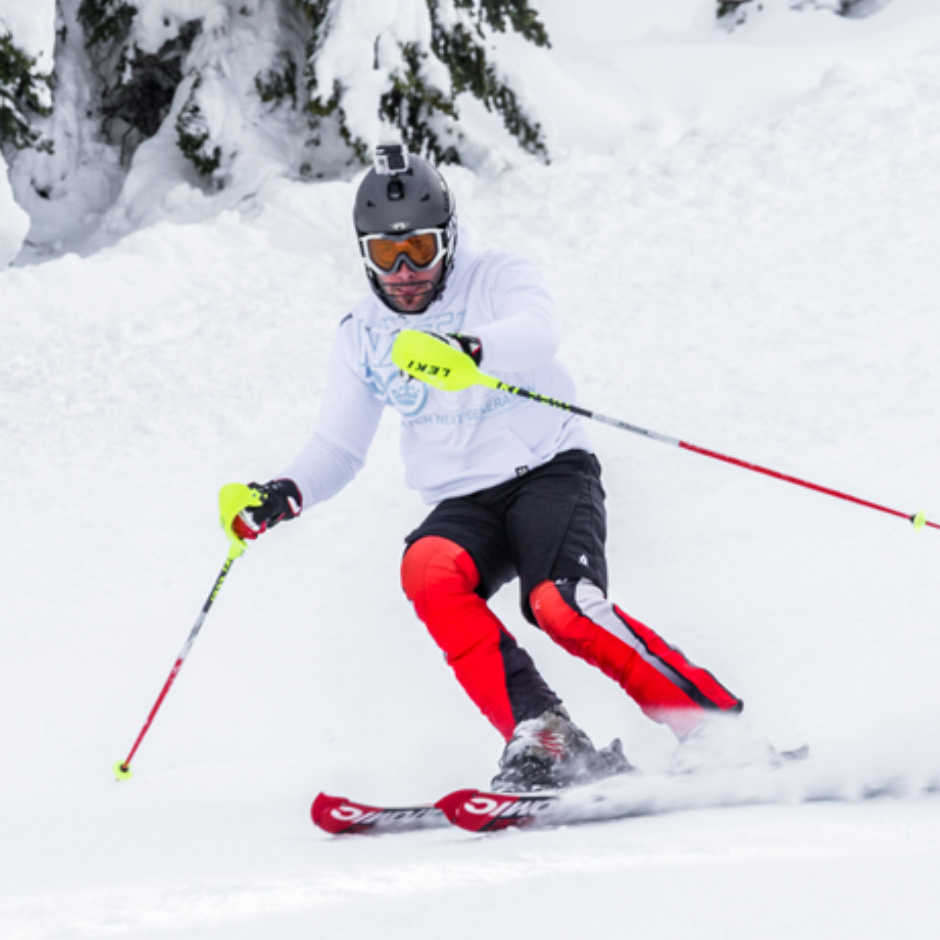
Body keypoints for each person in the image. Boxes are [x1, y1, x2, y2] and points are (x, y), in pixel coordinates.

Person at [220, 144, 757, 792]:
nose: (406, 271)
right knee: (425, 568)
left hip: (549, 469)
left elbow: (539, 331)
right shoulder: (362, 333)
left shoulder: (496, 276)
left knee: (558, 604)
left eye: (420, 249)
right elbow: (339, 447)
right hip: (466, 499)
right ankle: (545, 735)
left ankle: (712, 729)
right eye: (387, 255)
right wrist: (283, 494)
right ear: (364, 254)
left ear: (447, 238)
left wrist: (471, 348)